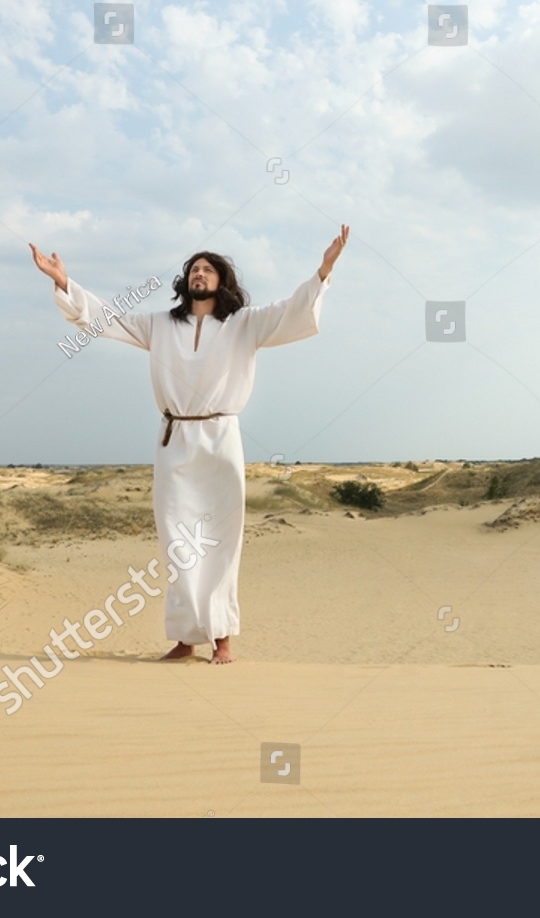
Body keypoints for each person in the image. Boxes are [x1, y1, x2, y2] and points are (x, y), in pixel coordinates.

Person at [29, 226, 349, 663]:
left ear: (222, 280)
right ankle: (185, 639)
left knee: (220, 539)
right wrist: (63, 281)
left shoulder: (245, 323)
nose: (199, 274)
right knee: (177, 542)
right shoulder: (160, 325)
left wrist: (324, 270)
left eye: (208, 269)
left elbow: (293, 311)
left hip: (220, 440)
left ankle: (223, 640)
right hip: (174, 439)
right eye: (194, 269)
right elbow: (107, 318)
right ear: (186, 281)